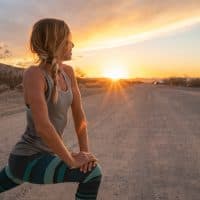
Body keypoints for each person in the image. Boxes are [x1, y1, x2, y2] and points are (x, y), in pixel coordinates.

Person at [0, 18, 103, 199]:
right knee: (92, 174)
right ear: (59, 43)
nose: (73, 45)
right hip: (27, 159)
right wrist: (71, 161)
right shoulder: (34, 74)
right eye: (69, 41)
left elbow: (80, 116)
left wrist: (84, 155)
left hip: (45, 154)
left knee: (89, 168)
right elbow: (43, 126)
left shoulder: (69, 72)